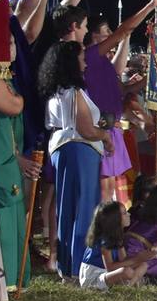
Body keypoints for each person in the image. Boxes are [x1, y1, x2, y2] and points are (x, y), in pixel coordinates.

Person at [41, 40, 112, 281]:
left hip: (64, 150)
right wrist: (106, 136)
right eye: (81, 58)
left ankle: (69, 266)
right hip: (79, 149)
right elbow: (86, 130)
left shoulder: (57, 91)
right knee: (84, 209)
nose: (84, 63)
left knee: (67, 208)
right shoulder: (72, 90)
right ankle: (83, 266)